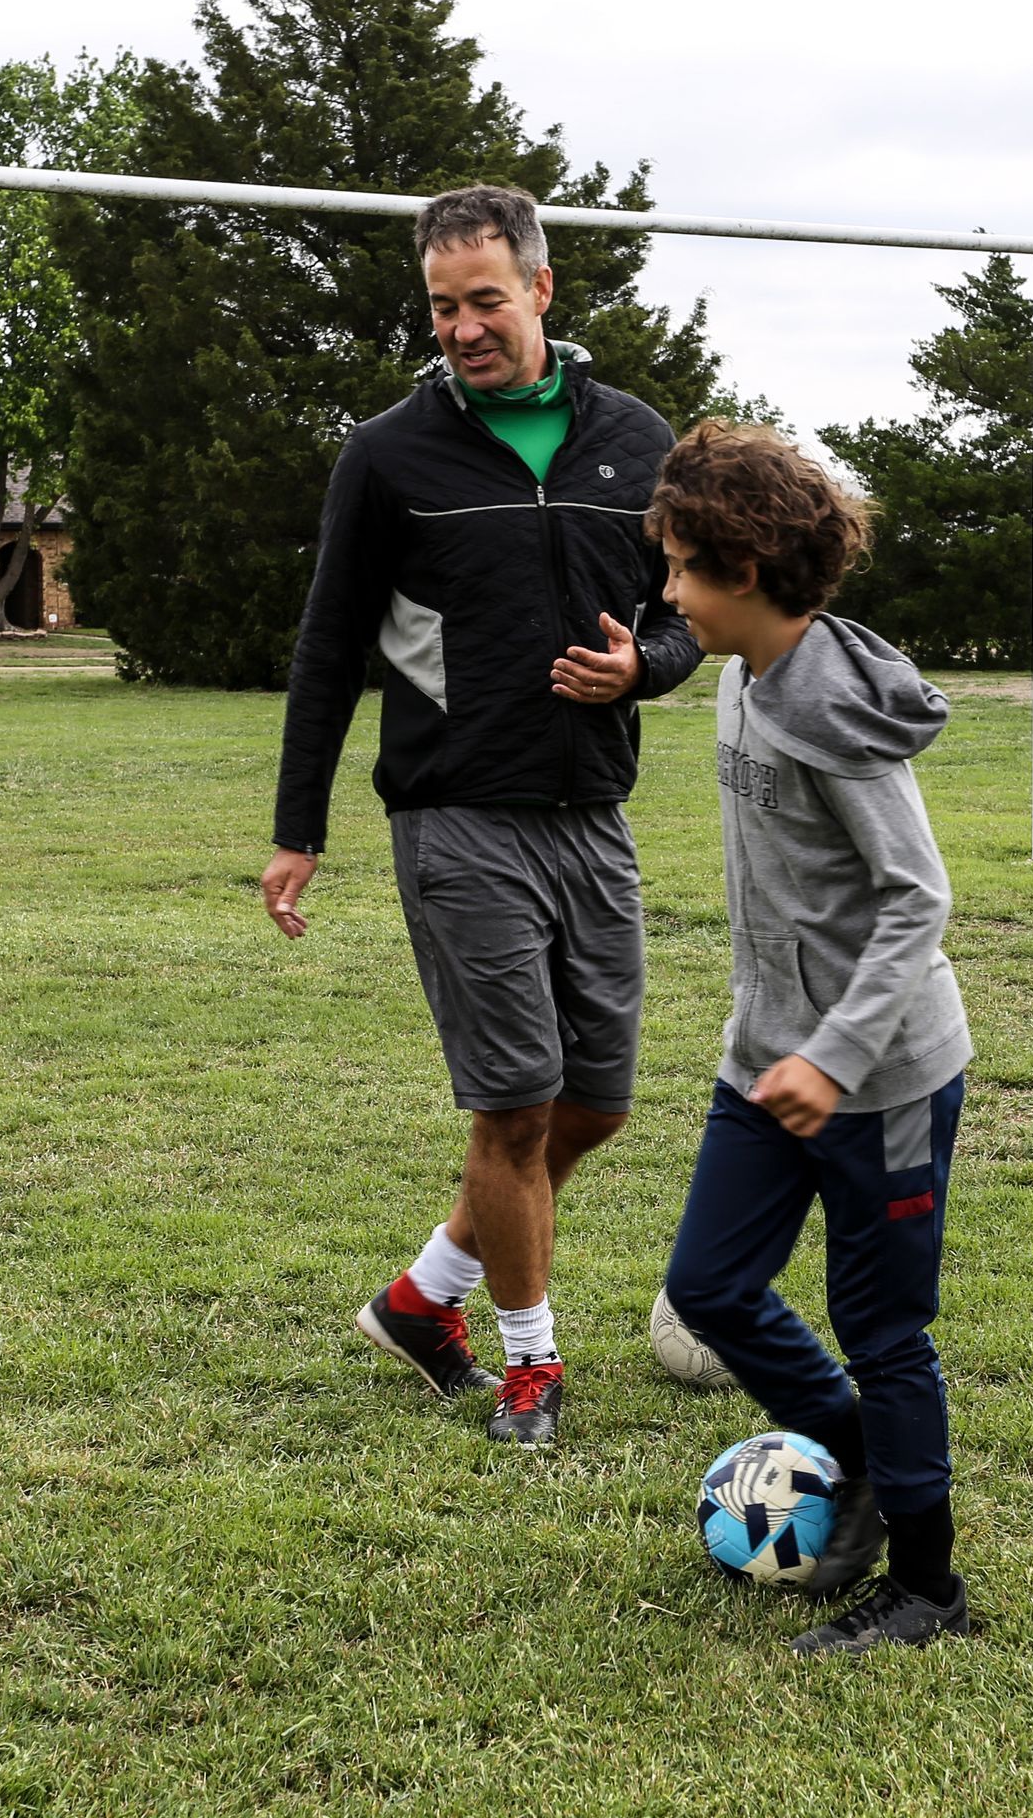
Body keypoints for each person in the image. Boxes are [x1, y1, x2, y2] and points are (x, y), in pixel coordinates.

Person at [262, 183, 701, 1447]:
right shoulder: (390, 454)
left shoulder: (634, 437)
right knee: (512, 1107)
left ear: (543, 292)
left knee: (597, 1105)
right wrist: (301, 827)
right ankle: (529, 1365)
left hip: (594, 818)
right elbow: (328, 647)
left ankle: (421, 1296)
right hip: (455, 817)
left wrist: (646, 669)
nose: (462, 328)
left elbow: (681, 608)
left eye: (485, 302)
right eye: (443, 306)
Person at [651, 420, 975, 1656]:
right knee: (711, 1287)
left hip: (878, 1075)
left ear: (745, 569)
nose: (671, 592)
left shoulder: (835, 714)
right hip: (764, 1059)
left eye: (684, 568)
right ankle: (862, 1464)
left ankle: (930, 1590)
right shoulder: (742, 670)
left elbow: (918, 897)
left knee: (885, 1330)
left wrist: (836, 1052)